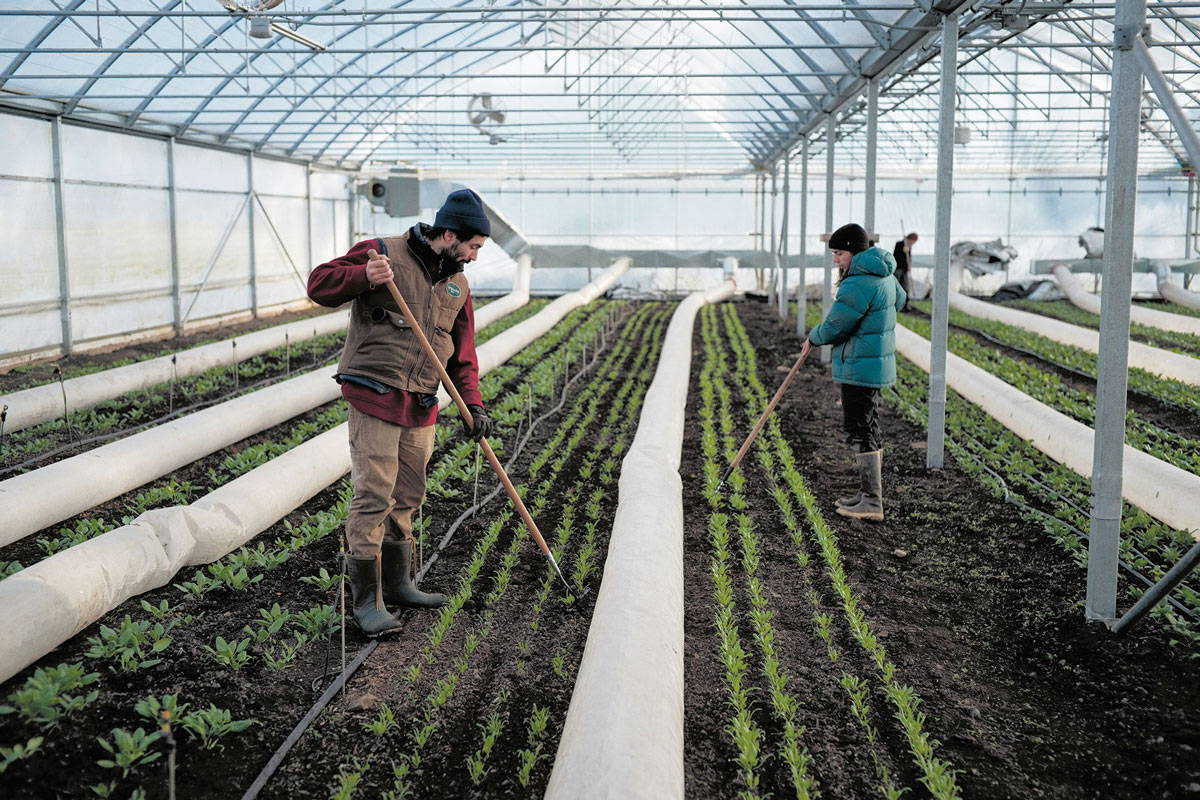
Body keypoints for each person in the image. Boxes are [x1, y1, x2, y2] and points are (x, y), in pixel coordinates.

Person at [307, 189, 495, 637]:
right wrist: (363, 275)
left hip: (422, 401)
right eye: (471, 246)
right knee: (374, 494)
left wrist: (473, 404)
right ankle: (367, 602)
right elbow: (319, 285)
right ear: (449, 233)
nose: (473, 256)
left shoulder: (458, 285)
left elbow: (461, 354)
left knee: (408, 495)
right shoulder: (382, 253)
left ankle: (398, 584)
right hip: (375, 393)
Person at [801, 223, 906, 522]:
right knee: (868, 425)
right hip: (875, 365)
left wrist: (813, 337)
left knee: (859, 427)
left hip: (859, 365)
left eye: (839, 253)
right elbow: (901, 300)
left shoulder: (857, 282)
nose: (835, 260)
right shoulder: (883, 275)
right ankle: (867, 494)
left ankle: (872, 501)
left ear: (854, 251)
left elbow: (837, 325)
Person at [892, 232, 917, 308]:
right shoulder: (899, 244)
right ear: (910, 239)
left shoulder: (909, 247)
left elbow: (909, 257)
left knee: (905, 286)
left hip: (905, 269)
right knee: (896, 286)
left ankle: (905, 304)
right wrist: (903, 251)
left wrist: (909, 265)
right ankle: (895, 304)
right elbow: (895, 256)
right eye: (912, 242)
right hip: (898, 268)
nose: (912, 244)